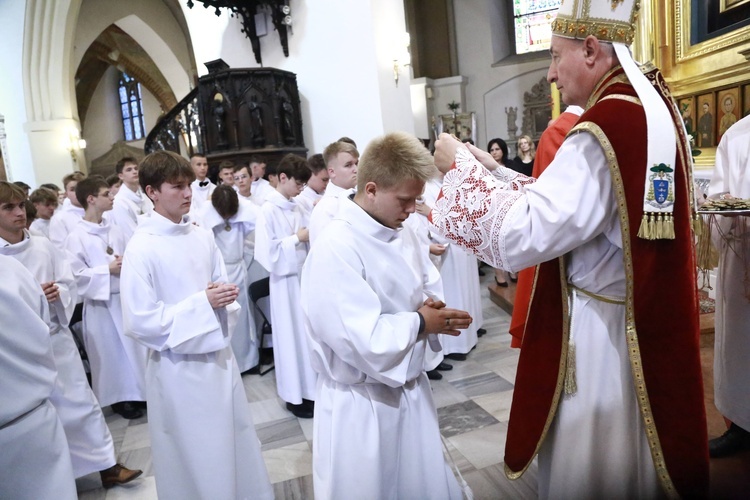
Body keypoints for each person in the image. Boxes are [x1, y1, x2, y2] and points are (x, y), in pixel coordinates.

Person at [430, 1, 708, 497]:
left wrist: (460, 171)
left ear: (591, 50)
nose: (553, 75)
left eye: (557, 58)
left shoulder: (603, 128)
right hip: (638, 322)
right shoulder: (648, 110)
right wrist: (493, 172)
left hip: (602, 335)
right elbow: (571, 210)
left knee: (596, 467)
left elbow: (525, 235)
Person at [301, 131, 472, 500]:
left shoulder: (403, 230)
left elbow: (428, 283)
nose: (413, 210)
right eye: (405, 200)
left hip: (410, 390)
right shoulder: (337, 246)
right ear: (373, 189)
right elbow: (357, 337)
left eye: (417, 200)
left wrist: (435, 312)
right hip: (363, 405)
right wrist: (421, 323)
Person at [120, 150, 273, 500]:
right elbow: (140, 321)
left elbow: (222, 290)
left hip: (219, 360)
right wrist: (202, 304)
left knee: (233, 443)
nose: (189, 193)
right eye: (177, 187)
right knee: (196, 456)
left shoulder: (201, 235)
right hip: (177, 370)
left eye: (189, 185)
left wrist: (222, 297)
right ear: (151, 192)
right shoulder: (141, 248)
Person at [0, 181, 142, 488]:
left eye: (19, 205)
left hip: (55, 336)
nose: (18, 213)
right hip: (20, 352)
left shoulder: (41, 244)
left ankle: (107, 465)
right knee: (41, 418)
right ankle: (54, 479)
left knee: (80, 404)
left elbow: (69, 282)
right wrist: (33, 296)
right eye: (7, 208)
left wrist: (58, 293)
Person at [65, 177, 147, 420]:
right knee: (112, 354)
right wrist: (107, 270)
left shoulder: (114, 228)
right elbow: (75, 277)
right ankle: (121, 398)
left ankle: (141, 392)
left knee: (134, 349)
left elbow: (132, 254)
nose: (112, 197)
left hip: (123, 297)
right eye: (105, 194)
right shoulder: (76, 237)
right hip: (101, 304)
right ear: (91, 199)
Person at [0, 254, 77, 500]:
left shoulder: (11, 266)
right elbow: (41, 322)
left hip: (29, 417)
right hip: (35, 413)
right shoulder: (11, 267)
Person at [507, 105, 583, 348]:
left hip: (578, 280)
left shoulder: (560, 132)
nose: (552, 74)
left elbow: (544, 216)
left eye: (556, 63)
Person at [254, 153, 317, 418]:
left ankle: (313, 390)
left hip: (304, 280)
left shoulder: (298, 204)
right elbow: (266, 253)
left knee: (307, 338)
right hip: (285, 284)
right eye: (297, 183)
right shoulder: (267, 209)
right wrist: (295, 239)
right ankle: (295, 396)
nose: (301, 189)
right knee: (292, 340)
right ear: (282, 178)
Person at [706, 114, 750, 457]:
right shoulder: (738, 136)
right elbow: (717, 198)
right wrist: (727, 211)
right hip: (744, 262)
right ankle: (740, 426)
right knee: (740, 346)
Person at [197, 184, 261, 374]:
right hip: (218, 273)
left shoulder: (244, 209)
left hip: (238, 270)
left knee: (243, 319)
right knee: (225, 322)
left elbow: (255, 225)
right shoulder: (204, 215)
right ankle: (230, 364)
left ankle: (248, 362)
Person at [308, 140, 359, 245]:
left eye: (356, 163)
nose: (356, 169)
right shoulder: (326, 209)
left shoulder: (359, 198)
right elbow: (324, 251)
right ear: (332, 172)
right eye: (348, 165)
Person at [487, 137, 512, 287]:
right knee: (495, 242)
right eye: (491, 150)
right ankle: (498, 273)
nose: (495, 152)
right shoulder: (485, 168)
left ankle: (512, 270)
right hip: (493, 208)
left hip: (509, 206)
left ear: (503, 150)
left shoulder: (510, 166)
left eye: (497, 149)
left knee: (508, 240)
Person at [110, 156, 153, 242]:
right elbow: (129, 232)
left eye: (136, 168)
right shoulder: (119, 202)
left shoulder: (145, 197)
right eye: (129, 170)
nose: (134, 172)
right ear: (121, 176)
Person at [49, 171, 86, 248]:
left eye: (81, 188)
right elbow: (60, 248)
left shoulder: (100, 212)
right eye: (73, 189)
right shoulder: (59, 219)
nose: (78, 192)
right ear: (66, 194)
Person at [295, 153, 329, 217]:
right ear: (311, 174)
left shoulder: (329, 193)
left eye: (329, 180)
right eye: (324, 180)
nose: (327, 183)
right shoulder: (300, 199)